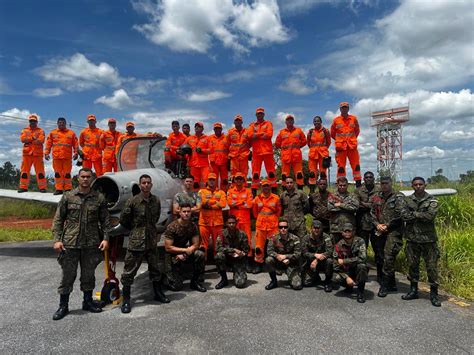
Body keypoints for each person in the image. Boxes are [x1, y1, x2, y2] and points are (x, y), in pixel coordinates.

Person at [51, 168, 110, 320]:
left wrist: (106, 238)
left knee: (88, 275)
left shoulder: (99, 198)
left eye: (88, 177)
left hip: (91, 243)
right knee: (68, 276)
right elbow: (58, 219)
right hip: (70, 243)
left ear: (92, 179)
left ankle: (88, 302)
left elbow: (105, 221)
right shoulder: (68, 197)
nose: (85, 179)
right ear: (78, 178)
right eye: (82, 176)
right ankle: (63, 306)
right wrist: (57, 239)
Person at [119, 174, 169, 314]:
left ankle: (158, 293)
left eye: (148, 183)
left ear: (151, 185)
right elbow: (124, 220)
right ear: (140, 185)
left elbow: (157, 217)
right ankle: (127, 299)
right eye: (143, 183)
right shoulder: (132, 201)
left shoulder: (155, 200)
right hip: (136, 241)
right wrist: (137, 230)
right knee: (129, 271)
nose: (146, 185)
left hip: (152, 240)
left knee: (155, 269)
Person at [401, 177, 441, 307]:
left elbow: (430, 216)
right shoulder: (407, 200)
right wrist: (419, 215)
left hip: (428, 240)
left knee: (431, 267)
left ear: (425, 185)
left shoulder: (432, 200)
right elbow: (404, 215)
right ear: (412, 186)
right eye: (415, 184)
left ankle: (434, 294)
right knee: (413, 265)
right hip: (412, 239)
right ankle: (413, 290)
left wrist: (414, 214)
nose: (418, 186)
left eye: (420, 184)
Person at [371, 176, 405, 297]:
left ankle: (384, 286)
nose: (384, 185)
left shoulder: (398, 196)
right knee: (380, 256)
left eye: (386, 183)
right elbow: (372, 213)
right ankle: (392, 282)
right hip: (380, 230)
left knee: (389, 257)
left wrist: (387, 226)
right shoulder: (377, 197)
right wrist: (377, 224)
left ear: (391, 183)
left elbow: (400, 214)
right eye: (382, 183)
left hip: (393, 232)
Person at [163, 203, 206, 292]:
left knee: (200, 254)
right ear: (180, 212)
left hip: (184, 252)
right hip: (171, 256)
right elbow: (168, 248)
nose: (186, 213)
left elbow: (196, 244)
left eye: (188, 211)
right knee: (176, 287)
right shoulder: (172, 227)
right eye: (184, 211)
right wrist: (185, 250)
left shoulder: (193, 226)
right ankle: (165, 277)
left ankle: (195, 281)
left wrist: (185, 253)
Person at [244, 107, 276, 195]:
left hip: (267, 152)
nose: (260, 115)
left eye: (261, 113)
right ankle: (254, 194)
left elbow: (269, 135)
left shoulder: (268, 123)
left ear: (263, 114)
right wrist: (261, 133)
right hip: (256, 153)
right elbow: (249, 135)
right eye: (258, 113)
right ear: (256, 115)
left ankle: (274, 192)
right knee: (255, 174)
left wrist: (256, 135)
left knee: (271, 173)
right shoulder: (252, 125)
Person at [333, 223, 367, 303]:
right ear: (342, 233)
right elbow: (335, 266)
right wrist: (346, 277)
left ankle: (360, 292)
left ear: (353, 232)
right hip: (346, 271)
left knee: (362, 266)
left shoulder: (360, 241)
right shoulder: (338, 245)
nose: (347, 233)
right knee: (335, 278)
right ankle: (349, 286)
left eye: (349, 231)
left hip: (357, 269)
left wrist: (344, 261)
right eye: (345, 231)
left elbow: (362, 258)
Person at [265, 218, 303, 290]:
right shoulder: (273, 238)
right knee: (268, 260)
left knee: (297, 285)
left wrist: (286, 256)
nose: (283, 229)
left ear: (288, 228)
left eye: (285, 227)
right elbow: (269, 251)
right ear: (278, 228)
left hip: (291, 263)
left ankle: (292, 277)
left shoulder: (295, 239)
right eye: (281, 227)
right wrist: (278, 256)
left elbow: (298, 254)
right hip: (279, 262)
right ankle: (274, 281)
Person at [44, 117, 78, 195]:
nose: (61, 124)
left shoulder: (71, 133)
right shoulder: (53, 133)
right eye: (60, 122)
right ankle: (58, 189)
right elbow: (48, 144)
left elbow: (75, 144)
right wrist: (46, 153)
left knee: (67, 174)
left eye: (63, 122)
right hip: (56, 157)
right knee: (57, 174)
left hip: (67, 157)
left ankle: (68, 189)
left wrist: (76, 153)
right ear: (57, 123)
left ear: (65, 123)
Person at [330, 102, 361, 187]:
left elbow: (357, 131)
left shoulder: (353, 119)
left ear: (348, 109)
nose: (344, 109)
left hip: (352, 146)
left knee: (356, 166)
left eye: (346, 107)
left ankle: (358, 186)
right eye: (343, 107)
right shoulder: (336, 120)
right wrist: (339, 141)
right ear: (340, 109)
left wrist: (352, 139)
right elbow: (332, 134)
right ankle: (341, 186)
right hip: (341, 147)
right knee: (341, 168)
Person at [214, 215, 250, 289]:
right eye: (229, 223)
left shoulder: (242, 234)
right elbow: (218, 248)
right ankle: (224, 279)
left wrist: (242, 253)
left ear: (236, 223)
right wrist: (233, 250)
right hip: (226, 259)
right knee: (219, 256)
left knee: (240, 284)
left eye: (233, 223)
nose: (231, 225)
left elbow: (246, 249)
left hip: (238, 260)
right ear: (226, 223)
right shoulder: (221, 233)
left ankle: (237, 273)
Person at [252, 179, 281, 271]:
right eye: (264, 186)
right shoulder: (257, 198)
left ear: (270, 187)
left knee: (275, 245)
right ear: (261, 187)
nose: (266, 187)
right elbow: (254, 212)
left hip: (273, 225)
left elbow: (279, 211)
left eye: (267, 185)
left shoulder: (276, 198)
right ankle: (258, 264)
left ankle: (276, 265)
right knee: (258, 246)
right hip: (260, 225)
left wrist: (273, 218)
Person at [197, 173, 226, 257]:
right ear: (207, 181)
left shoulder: (221, 192)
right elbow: (202, 203)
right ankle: (202, 264)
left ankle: (218, 264)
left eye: (213, 180)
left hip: (217, 223)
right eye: (210, 180)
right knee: (203, 246)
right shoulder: (201, 191)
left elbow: (223, 204)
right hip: (204, 223)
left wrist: (208, 204)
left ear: (216, 181)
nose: (212, 181)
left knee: (218, 245)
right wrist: (216, 202)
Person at [275, 115, 307, 188]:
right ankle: (285, 192)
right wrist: (284, 149)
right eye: (288, 120)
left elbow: (304, 141)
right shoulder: (281, 132)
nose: (290, 121)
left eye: (291, 120)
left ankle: (300, 191)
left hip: (296, 156)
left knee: (299, 174)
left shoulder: (298, 130)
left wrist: (298, 147)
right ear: (286, 122)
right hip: (285, 157)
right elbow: (277, 143)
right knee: (284, 175)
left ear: (293, 121)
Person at [301, 220, 334, 292]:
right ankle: (315, 276)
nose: (316, 230)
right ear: (311, 228)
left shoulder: (326, 237)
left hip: (323, 261)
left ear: (321, 228)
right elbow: (304, 252)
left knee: (329, 261)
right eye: (314, 228)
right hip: (310, 263)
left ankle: (327, 282)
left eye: (318, 228)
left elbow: (330, 251)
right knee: (306, 283)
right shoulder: (306, 238)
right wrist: (315, 255)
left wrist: (316, 260)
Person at [226, 172, 253, 258]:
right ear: (234, 180)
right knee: (233, 239)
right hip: (234, 220)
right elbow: (230, 203)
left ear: (243, 180)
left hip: (245, 220)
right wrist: (242, 202)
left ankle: (248, 258)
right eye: (237, 179)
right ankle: (233, 259)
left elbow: (249, 205)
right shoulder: (230, 191)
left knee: (247, 239)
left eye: (240, 179)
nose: (238, 180)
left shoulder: (248, 191)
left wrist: (236, 204)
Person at [18, 113, 47, 193]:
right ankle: (23, 187)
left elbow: (41, 140)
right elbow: (23, 140)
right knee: (24, 171)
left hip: (37, 154)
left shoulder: (41, 131)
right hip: (27, 154)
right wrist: (33, 138)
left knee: (40, 172)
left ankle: (42, 188)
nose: (32, 122)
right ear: (29, 121)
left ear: (36, 122)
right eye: (31, 121)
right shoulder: (24, 130)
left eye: (34, 121)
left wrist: (29, 140)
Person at [328, 176, 359, 244]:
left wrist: (340, 205)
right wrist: (347, 207)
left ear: (347, 185)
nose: (342, 187)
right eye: (340, 185)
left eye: (344, 185)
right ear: (337, 185)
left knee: (348, 248)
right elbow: (330, 208)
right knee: (335, 248)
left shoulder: (352, 196)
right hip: (336, 228)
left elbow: (355, 208)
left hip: (349, 227)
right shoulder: (332, 196)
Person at [354, 171, 379, 247]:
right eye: (367, 177)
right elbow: (356, 205)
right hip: (362, 224)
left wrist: (364, 204)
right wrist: (372, 204)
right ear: (364, 179)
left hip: (376, 224)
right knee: (363, 247)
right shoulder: (357, 191)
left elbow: (380, 204)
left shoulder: (380, 190)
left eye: (370, 177)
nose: (368, 179)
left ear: (374, 179)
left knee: (378, 247)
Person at [307, 116, 331, 192]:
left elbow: (328, 142)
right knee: (312, 174)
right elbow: (308, 143)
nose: (316, 122)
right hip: (313, 155)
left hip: (323, 154)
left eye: (318, 121)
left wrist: (323, 148)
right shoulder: (310, 132)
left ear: (321, 122)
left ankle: (323, 191)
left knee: (323, 174)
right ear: (313, 122)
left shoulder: (325, 131)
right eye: (315, 121)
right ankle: (311, 192)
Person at [184, 122, 210, 189]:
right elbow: (184, 149)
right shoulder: (189, 138)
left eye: (199, 127)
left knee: (206, 182)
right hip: (193, 164)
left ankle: (206, 197)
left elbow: (211, 150)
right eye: (196, 127)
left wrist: (202, 150)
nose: (197, 128)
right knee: (195, 183)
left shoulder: (207, 138)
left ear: (203, 129)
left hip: (204, 165)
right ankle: (195, 197)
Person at [227, 114, 250, 179]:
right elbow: (227, 144)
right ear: (234, 122)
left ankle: (244, 189)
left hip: (244, 157)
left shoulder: (247, 131)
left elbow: (250, 142)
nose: (238, 122)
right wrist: (228, 157)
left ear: (242, 122)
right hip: (234, 157)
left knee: (244, 174)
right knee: (234, 175)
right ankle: (234, 189)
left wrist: (247, 151)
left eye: (239, 120)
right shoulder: (230, 132)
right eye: (236, 121)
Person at [208, 122, 229, 191]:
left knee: (224, 179)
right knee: (214, 179)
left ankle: (224, 193)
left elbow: (231, 148)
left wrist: (230, 159)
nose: (217, 130)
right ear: (214, 129)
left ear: (221, 129)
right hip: (213, 162)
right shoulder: (209, 138)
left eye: (219, 128)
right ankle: (215, 193)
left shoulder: (226, 138)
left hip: (224, 162)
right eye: (216, 128)